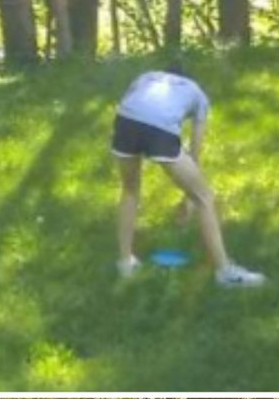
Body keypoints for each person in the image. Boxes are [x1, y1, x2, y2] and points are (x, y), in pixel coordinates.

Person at [112, 64, 265, 286]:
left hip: (125, 120)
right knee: (205, 198)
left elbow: (129, 103)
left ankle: (125, 262)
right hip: (159, 127)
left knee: (129, 189)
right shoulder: (196, 92)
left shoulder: (146, 77)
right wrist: (190, 196)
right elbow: (195, 148)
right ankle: (226, 273)